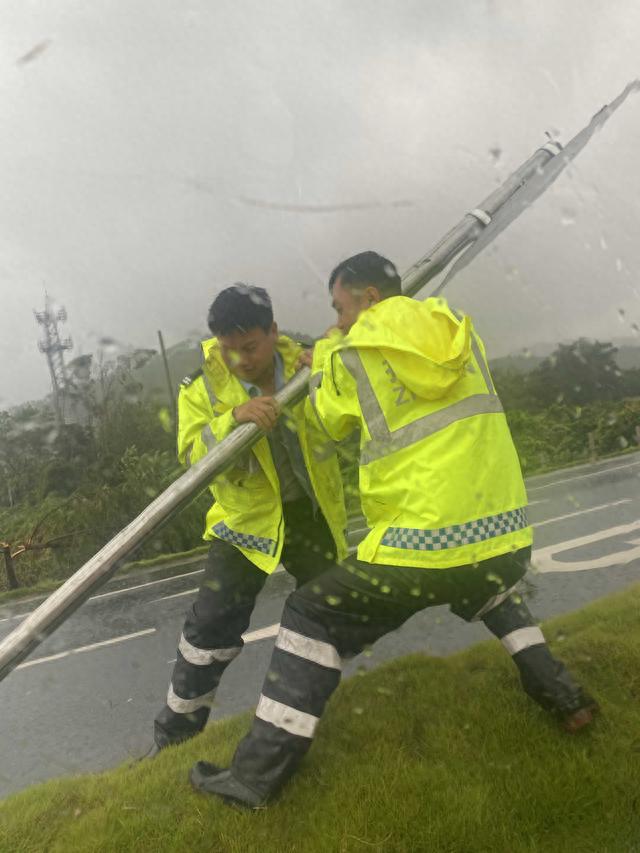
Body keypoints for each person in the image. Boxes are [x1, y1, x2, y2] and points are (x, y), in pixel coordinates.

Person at [188, 251, 598, 808]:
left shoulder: (355, 348)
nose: (338, 320)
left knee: (310, 613)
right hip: (504, 535)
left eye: (340, 308)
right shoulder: (456, 329)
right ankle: (564, 696)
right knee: (487, 585)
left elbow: (330, 424)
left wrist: (328, 351)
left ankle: (257, 775)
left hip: (423, 543)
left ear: (370, 299)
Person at [152, 283, 347, 751]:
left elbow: (348, 413)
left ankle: (301, 720)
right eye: (228, 349)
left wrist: (328, 368)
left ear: (272, 331)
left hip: (310, 511)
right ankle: (174, 740)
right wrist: (232, 419)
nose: (240, 359)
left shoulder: (308, 358)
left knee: (329, 616)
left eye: (250, 347)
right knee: (208, 634)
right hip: (245, 523)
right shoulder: (201, 385)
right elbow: (191, 454)